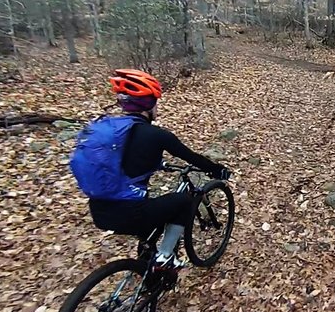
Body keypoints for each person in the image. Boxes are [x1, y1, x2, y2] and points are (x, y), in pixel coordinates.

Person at [70, 69, 230, 270]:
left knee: (151, 213)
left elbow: (124, 163)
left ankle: (148, 273)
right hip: (131, 213)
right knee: (185, 201)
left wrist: (157, 164)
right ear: (148, 104)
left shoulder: (112, 129)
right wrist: (218, 170)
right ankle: (165, 257)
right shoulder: (157, 135)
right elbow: (193, 158)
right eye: (156, 101)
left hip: (99, 211)